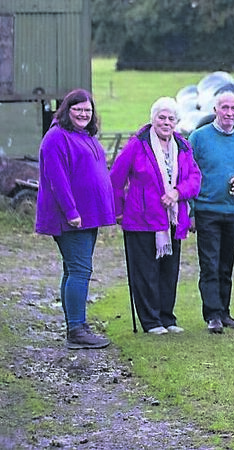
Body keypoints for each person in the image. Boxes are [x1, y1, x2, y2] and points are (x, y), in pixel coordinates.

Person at [110, 97, 201, 335]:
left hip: (173, 219)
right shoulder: (137, 144)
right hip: (141, 218)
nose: (166, 122)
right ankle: (151, 321)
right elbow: (116, 178)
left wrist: (177, 192)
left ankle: (167, 317)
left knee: (169, 271)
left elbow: (194, 178)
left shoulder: (183, 145)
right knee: (145, 271)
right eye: (162, 117)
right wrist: (118, 211)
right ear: (153, 119)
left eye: (171, 118)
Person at [36, 88, 115, 349]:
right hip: (72, 218)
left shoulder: (84, 135)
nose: (83, 114)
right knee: (80, 270)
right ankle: (77, 330)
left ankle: (76, 324)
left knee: (73, 270)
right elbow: (57, 179)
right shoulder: (56, 137)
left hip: (89, 215)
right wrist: (71, 212)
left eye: (87, 110)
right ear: (66, 110)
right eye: (78, 109)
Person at [189, 91, 234, 334]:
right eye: (225, 108)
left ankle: (225, 312)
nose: (229, 113)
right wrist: (191, 212)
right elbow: (187, 174)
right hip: (207, 209)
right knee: (210, 264)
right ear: (215, 110)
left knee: (226, 264)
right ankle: (213, 315)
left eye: (233, 109)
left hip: (233, 210)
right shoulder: (199, 137)